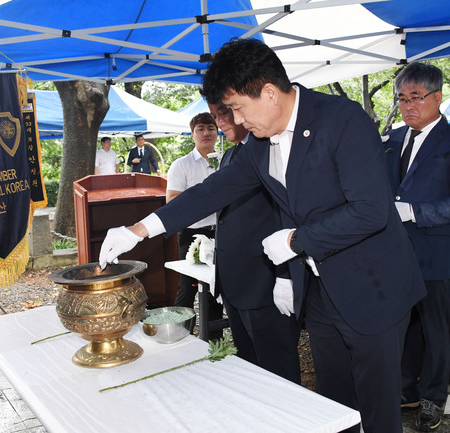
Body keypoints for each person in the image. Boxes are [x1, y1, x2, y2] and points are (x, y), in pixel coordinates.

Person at [99, 38, 426, 433]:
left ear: (269, 92)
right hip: (322, 292)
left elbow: (371, 212)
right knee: (333, 401)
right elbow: (212, 190)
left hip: (374, 287)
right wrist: (139, 230)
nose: (235, 120)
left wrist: (295, 241)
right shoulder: (258, 143)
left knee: (377, 408)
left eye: (237, 107)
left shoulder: (341, 119)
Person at [384, 63, 450, 431]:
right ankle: (405, 388)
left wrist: (414, 212)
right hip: (393, 253)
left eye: (416, 98)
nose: (408, 106)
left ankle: (433, 397)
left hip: (436, 252)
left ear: (438, 98)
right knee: (400, 326)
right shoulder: (391, 139)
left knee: (437, 329)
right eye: (403, 98)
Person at [207, 98, 301, 383]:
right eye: (214, 116)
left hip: (265, 285)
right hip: (236, 284)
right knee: (248, 368)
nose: (219, 122)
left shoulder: (273, 151)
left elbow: (287, 216)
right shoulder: (230, 155)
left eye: (223, 113)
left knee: (278, 371)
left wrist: (285, 276)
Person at [168, 113, 224, 339]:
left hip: (221, 233)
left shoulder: (226, 161)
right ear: (192, 135)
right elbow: (172, 202)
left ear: (217, 132)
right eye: (200, 129)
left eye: (211, 128)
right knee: (188, 286)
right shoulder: (181, 165)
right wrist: (205, 200)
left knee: (215, 287)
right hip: (192, 234)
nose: (206, 133)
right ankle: (179, 335)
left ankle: (214, 340)